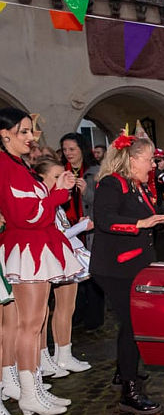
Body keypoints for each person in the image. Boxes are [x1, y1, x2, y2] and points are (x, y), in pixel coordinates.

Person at [0, 107, 81, 415]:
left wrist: (57, 192)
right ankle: (29, 394)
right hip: (27, 247)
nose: (30, 137)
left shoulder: (17, 164)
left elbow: (36, 207)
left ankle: (33, 389)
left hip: (34, 245)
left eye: (29, 131)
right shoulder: (7, 166)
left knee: (34, 324)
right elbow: (28, 215)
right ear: (4, 134)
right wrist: (58, 193)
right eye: (23, 131)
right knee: (29, 325)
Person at [91, 134, 164, 414]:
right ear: (133, 159)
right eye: (149, 159)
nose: (152, 165)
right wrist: (140, 223)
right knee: (133, 324)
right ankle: (129, 390)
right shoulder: (112, 183)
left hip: (134, 265)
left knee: (130, 322)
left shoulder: (137, 185)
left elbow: (153, 217)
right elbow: (105, 220)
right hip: (115, 268)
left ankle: (122, 371)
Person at [34, 156, 92, 378]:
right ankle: (43, 359)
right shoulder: (44, 201)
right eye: (56, 177)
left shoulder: (56, 202)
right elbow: (57, 234)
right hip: (53, 255)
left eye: (64, 175)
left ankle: (63, 354)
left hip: (66, 254)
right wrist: (82, 226)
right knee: (43, 311)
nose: (62, 181)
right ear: (41, 179)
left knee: (67, 307)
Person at [60, 132, 105, 331]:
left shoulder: (96, 171)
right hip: (70, 230)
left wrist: (86, 191)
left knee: (92, 274)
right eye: (65, 150)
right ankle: (77, 314)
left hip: (90, 230)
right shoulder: (62, 172)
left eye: (72, 149)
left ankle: (94, 318)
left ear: (82, 149)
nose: (68, 153)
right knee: (73, 275)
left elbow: (103, 204)